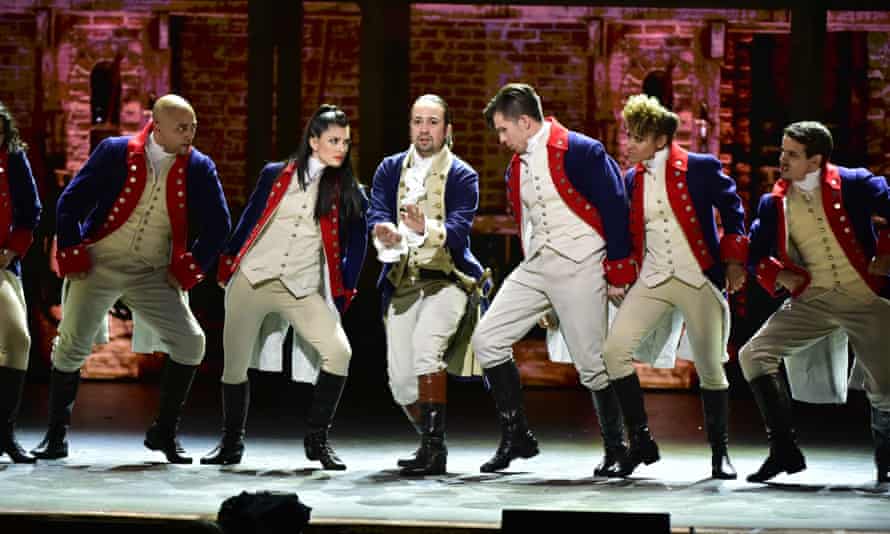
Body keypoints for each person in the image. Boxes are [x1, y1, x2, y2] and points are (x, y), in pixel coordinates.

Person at [31, 94, 231, 463]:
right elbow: (70, 203)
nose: (190, 134)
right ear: (157, 126)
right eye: (182, 127)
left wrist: (190, 267)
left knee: (191, 343)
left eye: (193, 127)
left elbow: (220, 224)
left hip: (151, 272)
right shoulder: (115, 151)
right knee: (72, 345)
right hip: (100, 262)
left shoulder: (199, 166)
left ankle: (163, 433)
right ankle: (55, 436)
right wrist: (72, 252)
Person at [472, 83, 637, 474]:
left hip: (582, 264)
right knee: (487, 339)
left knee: (592, 363)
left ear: (525, 122)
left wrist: (617, 270)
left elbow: (616, 208)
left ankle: (618, 448)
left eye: (502, 130)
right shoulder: (517, 166)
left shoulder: (581, 150)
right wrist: (543, 299)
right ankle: (517, 437)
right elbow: (529, 224)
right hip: (539, 266)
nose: (500, 139)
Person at [205, 104, 367, 470]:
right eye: (333, 140)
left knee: (339, 353)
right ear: (313, 142)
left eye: (345, 142)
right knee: (234, 363)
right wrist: (229, 259)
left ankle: (317, 438)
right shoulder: (275, 174)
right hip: (254, 278)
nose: (341, 148)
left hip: (301, 286)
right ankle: (232, 442)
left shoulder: (347, 190)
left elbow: (359, 240)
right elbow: (250, 216)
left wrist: (346, 286)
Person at [601, 94, 748, 479]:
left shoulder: (699, 168)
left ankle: (720, 455)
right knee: (614, 352)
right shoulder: (631, 179)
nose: (628, 143)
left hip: (697, 276)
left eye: (636, 137)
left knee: (711, 366)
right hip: (653, 278)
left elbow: (732, 207)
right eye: (628, 136)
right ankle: (642, 442)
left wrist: (733, 259)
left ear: (660, 139)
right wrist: (618, 276)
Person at [740, 121, 890, 483]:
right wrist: (777, 274)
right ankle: (784, 451)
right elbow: (754, 252)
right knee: (752, 355)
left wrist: (886, 253)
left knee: (885, 388)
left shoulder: (855, 183)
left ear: (815, 160)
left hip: (864, 297)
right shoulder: (773, 202)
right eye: (782, 152)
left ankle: (886, 463)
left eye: (792, 154)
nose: (782, 160)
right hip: (813, 300)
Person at [368, 94, 488, 476]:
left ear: (447, 129)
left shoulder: (463, 175)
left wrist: (424, 229)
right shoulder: (389, 169)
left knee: (426, 350)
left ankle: (434, 450)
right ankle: (430, 440)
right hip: (403, 282)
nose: (424, 129)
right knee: (402, 384)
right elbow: (376, 211)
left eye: (432, 122)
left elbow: (458, 231)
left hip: (447, 280)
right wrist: (383, 233)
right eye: (418, 121)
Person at [0, 102, 41, 463]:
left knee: (17, 338)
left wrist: (12, 251)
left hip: (0, 264)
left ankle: (5, 434)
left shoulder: (12, 158)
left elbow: (30, 211)